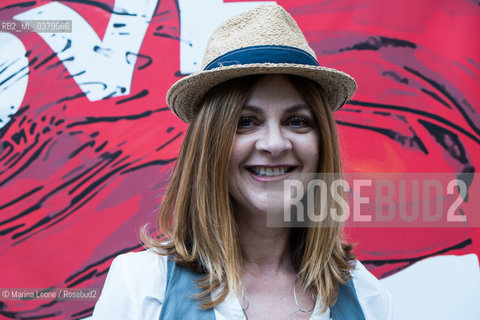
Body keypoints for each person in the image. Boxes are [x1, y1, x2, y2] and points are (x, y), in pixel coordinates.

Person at [92, 4, 392, 320]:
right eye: (246, 122)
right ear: (209, 143)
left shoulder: (366, 296)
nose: (275, 144)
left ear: (322, 143)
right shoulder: (142, 287)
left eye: (297, 121)